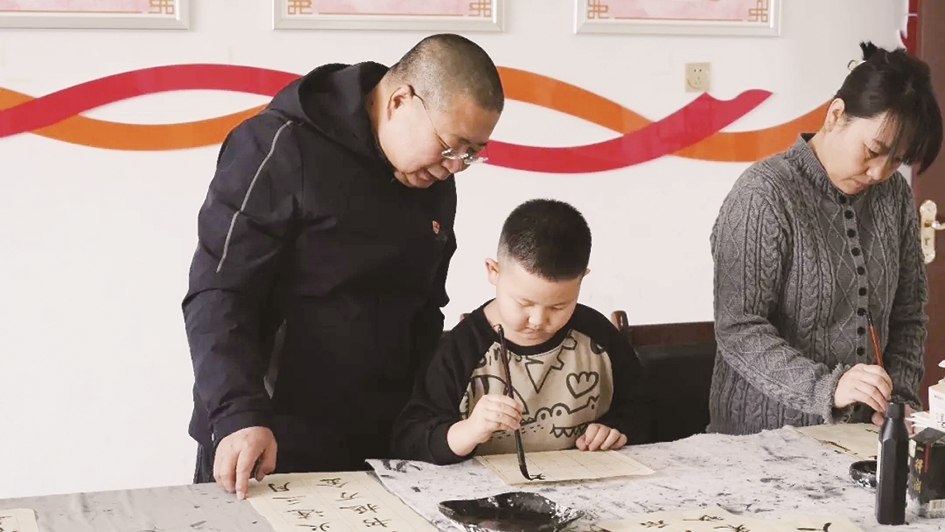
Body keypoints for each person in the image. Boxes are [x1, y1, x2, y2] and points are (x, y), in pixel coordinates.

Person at [182, 33, 504, 498]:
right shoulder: (278, 145)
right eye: (451, 146)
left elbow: (425, 309)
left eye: (472, 153)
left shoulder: (432, 179)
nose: (456, 167)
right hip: (270, 434)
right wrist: (238, 413)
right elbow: (219, 293)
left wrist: (432, 416)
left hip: (383, 441)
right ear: (399, 101)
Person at [709, 41, 942, 435]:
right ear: (835, 114)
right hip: (761, 438)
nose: (880, 173)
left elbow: (908, 316)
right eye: (874, 150)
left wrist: (899, 400)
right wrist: (828, 388)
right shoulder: (764, 194)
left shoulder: (894, 196)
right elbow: (738, 328)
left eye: (897, 160)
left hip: (862, 437)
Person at [390, 199, 654, 464]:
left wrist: (617, 429)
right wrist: (469, 431)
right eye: (524, 303)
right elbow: (410, 439)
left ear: (582, 278)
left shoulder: (598, 337)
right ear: (493, 271)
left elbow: (643, 408)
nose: (538, 320)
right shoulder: (462, 350)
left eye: (559, 306)